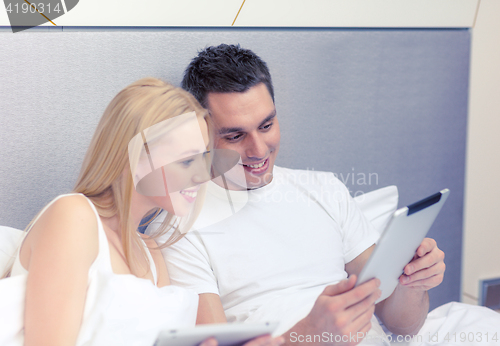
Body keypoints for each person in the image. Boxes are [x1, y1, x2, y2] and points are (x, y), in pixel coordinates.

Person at [146, 45, 446, 345]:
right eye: (235, 136)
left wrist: (413, 283)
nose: (258, 150)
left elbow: (403, 326)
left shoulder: (325, 190)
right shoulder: (178, 228)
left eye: (266, 125)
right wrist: (308, 336)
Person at [0, 77, 285, 346]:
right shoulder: (74, 216)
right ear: (132, 159)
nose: (201, 175)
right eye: (186, 162)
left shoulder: (150, 251)